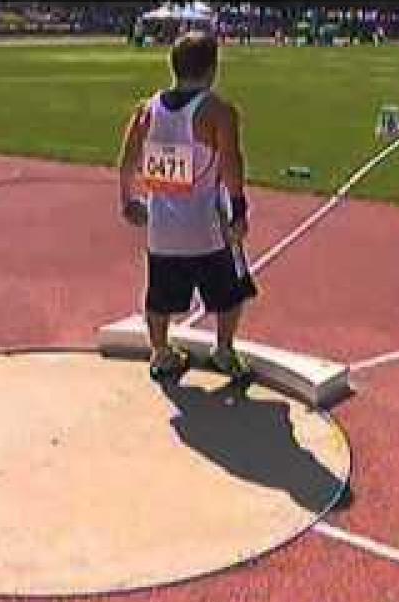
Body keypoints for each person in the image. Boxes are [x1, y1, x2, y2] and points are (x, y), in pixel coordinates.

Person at [117, 31, 257, 382]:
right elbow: (231, 166)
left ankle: (161, 352)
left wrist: (127, 200)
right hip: (207, 228)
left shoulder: (146, 110)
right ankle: (223, 350)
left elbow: (127, 161)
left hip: (161, 227)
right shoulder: (217, 111)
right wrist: (239, 210)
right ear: (211, 69)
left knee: (160, 295)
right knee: (230, 292)